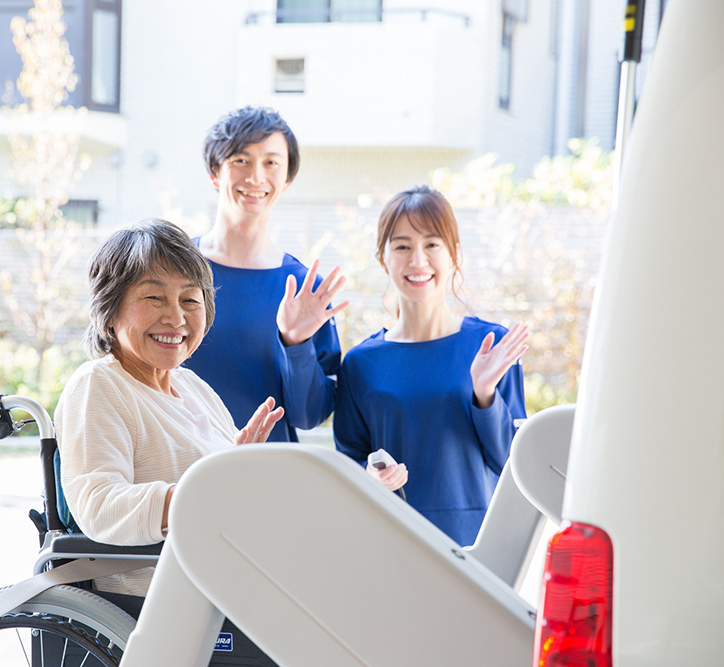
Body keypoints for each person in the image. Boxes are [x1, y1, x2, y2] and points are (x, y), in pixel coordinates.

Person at [55, 218, 284, 597]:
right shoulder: (99, 385)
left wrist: (244, 475)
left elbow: (227, 499)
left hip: (228, 583)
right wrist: (198, 494)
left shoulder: (192, 386)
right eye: (154, 297)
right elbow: (98, 506)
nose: (176, 317)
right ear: (110, 311)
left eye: (190, 300)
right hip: (166, 603)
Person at [333, 186, 529, 547]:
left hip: (478, 542)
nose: (418, 261)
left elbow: (514, 466)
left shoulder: (492, 346)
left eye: (432, 244)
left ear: (454, 254)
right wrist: (370, 477)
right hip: (392, 537)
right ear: (383, 258)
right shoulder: (360, 363)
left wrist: (484, 396)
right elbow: (348, 463)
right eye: (402, 246)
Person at [184, 106, 348, 442]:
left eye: (271, 163)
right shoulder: (171, 268)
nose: (256, 177)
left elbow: (309, 416)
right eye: (240, 160)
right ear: (215, 172)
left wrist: (295, 342)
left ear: (286, 179)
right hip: (176, 473)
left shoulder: (303, 290)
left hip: (268, 476)